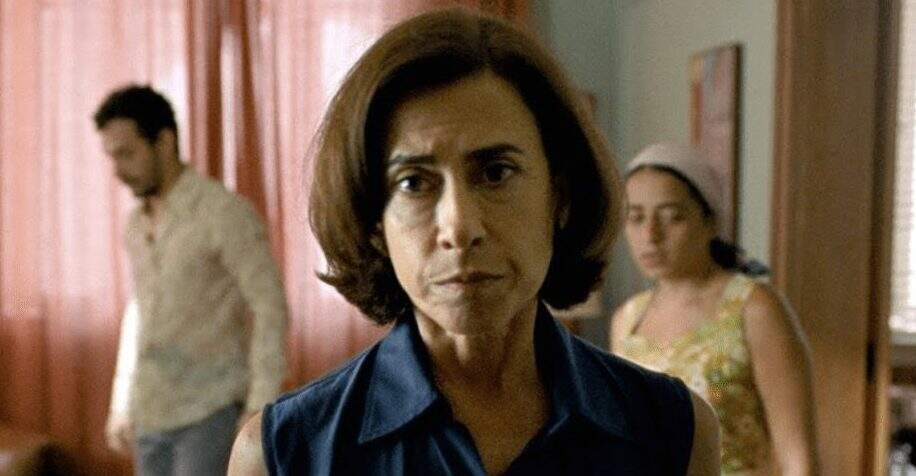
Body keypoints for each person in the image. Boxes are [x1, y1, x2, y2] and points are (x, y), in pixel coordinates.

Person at [229, 8, 721, 475]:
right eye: (414, 183)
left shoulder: (672, 431)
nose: (460, 227)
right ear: (375, 222)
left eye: (496, 172)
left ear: (560, 196)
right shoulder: (285, 453)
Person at [94, 85, 289, 476]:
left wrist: (260, 407)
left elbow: (270, 306)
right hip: (151, 410)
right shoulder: (135, 226)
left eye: (127, 154)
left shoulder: (223, 212)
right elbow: (140, 311)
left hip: (209, 411)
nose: (117, 170)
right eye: (112, 156)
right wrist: (121, 404)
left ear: (164, 142)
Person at [610, 143, 818, 475]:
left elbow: (798, 456)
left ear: (710, 221)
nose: (650, 235)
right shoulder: (627, 320)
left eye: (672, 217)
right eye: (635, 218)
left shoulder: (752, 309)